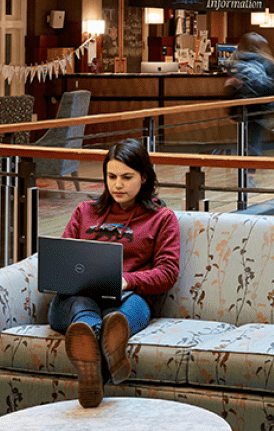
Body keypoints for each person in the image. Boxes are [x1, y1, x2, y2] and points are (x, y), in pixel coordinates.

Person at [49, 138, 180, 409]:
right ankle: (105, 348)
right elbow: (64, 256)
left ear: (144, 177)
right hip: (78, 301)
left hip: (127, 300)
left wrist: (126, 280)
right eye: (111, 176)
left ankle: (92, 366)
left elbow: (167, 273)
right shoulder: (85, 212)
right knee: (81, 308)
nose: (117, 184)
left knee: (125, 312)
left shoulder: (162, 218)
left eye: (126, 177)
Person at [227, 32, 274, 157]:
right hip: (260, 105)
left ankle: (243, 166)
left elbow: (232, 85)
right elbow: (273, 86)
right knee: (256, 136)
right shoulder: (267, 62)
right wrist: (273, 107)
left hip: (243, 105)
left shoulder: (237, 61)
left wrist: (231, 111)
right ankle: (251, 168)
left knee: (242, 135)